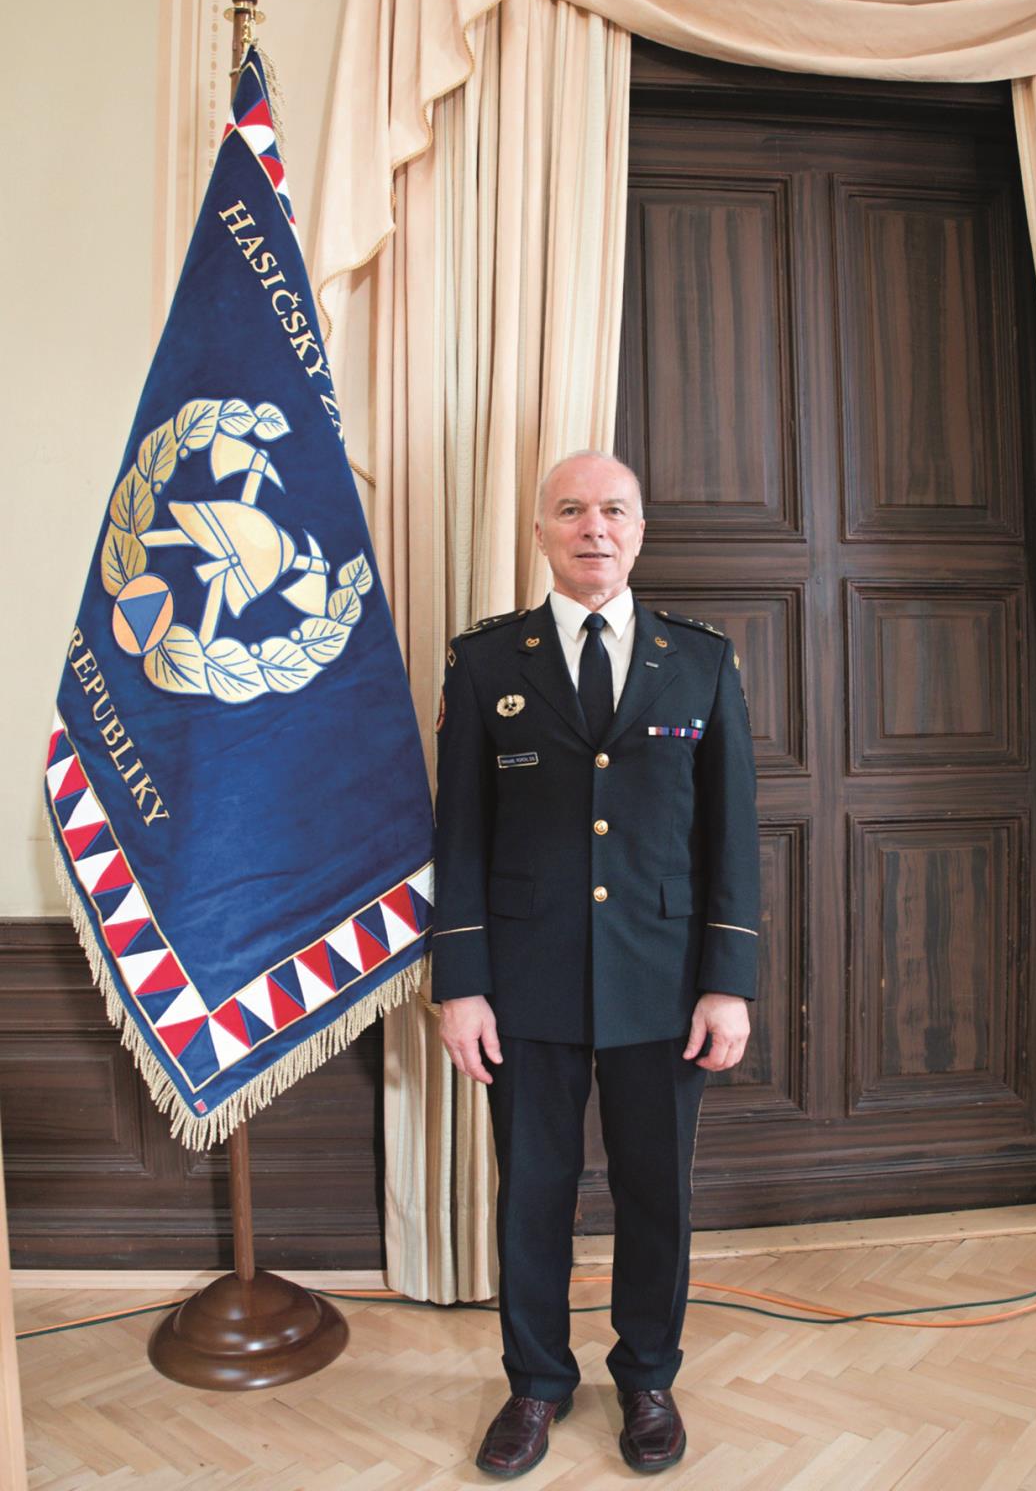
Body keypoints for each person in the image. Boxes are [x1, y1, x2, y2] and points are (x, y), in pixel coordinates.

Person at [432, 450, 760, 1477]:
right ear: (541, 531)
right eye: (571, 510)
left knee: (656, 1192)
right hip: (524, 981)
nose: (594, 528)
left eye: (613, 510)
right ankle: (536, 1382)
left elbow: (731, 836)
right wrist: (460, 985)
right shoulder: (487, 662)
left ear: (639, 529)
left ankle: (648, 1376)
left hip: (663, 980)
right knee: (532, 1191)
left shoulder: (699, 660)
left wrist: (729, 982)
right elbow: (459, 834)